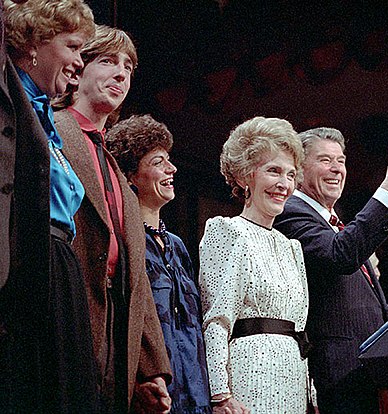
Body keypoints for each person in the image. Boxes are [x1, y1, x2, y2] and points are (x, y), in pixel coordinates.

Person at [52, 26, 172, 413]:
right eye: (108, 61)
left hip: (114, 338)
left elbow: (137, 277)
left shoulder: (117, 171)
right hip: (64, 324)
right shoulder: (49, 130)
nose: (122, 74)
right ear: (77, 69)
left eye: (128, 66)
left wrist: (150, 370)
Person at [274, 127, 388, 414]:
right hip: (341, 374)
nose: (337, 169)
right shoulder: (289, 211)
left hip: (372, 370)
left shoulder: (337, 223)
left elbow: (378, 307)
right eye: (325, 160)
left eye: (341, 161)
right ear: (299, 170)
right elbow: (339, 255)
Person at [2, 1, 99, 412]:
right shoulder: (9, 101)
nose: (80, 62)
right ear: (34, 44)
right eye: (73, 47)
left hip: (60, 267)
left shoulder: (46, 117)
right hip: (28, 259)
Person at [199, 116, 314, 414]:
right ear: (244, 176)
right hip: (249, 377)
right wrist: (221, 395)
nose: (283, 184)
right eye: (273, 171)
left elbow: (300, 330)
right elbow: (217, 320)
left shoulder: (292, 247)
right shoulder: (226, 231)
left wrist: (310, 395)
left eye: (290, 175)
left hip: (293, 382)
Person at [107, 114, 213, 414]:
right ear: (130, 176)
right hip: (155, 396)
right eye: (158, 162)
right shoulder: (124, 241)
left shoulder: (178, 246)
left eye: (169, 160)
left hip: (196, 393)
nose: (172, 168)